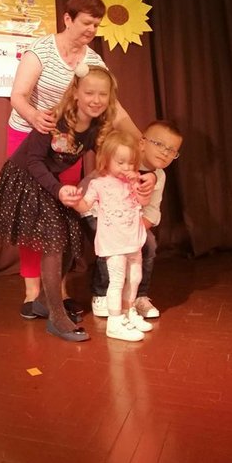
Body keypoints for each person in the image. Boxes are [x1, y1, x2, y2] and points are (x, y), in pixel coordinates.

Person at [7, 0, 145, 320]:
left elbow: (113, 107)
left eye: (96, 25)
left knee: (64, 214)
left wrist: (139, 139)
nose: (91, 30)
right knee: (34, 216)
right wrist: (35, 116)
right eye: (86, 23)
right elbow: (18, 96)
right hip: (30, 138)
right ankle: (32, 292)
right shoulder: (41, 51)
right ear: (67, 19)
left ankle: (59, 290)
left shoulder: (93, 61)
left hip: (68, 145)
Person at [0, 65, 118, 342]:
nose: (96, 100)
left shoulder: (95, 127)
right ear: (76, 93)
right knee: (54, 242)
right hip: (25, 178)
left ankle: (45, 301)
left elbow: (109, 156)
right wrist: (58, 190)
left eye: (102, 94)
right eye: (89, 93)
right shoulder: (55, 120)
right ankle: (56, 317)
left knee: (68, 238)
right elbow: (33, 161)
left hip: (49, 183)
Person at [87, 120, 183, 320]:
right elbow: (101, 191)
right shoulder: (126, 160)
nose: (165, 152)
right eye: (159, 144)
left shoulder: (160, 176)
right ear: (142, 143)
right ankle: (102, 293)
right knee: (115, 246)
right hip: (99, 212)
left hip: (130, 220)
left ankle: (138, 296)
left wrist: (135, 233)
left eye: (172, 150)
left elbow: (152, 210)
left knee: (148, 243)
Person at [74, 129, 153, 341]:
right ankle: (115, 321)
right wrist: (74, 200)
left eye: (131, 163)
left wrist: (138, 184)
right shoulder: (98, 184)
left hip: (133, 240)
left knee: (135, 278)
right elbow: (84, 206)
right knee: (117, 281)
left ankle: (128, 312)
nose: (126, 167)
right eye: (121, 162)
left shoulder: (133, 182)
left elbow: (144, 202)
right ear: (106, 160)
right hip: (114, 242)